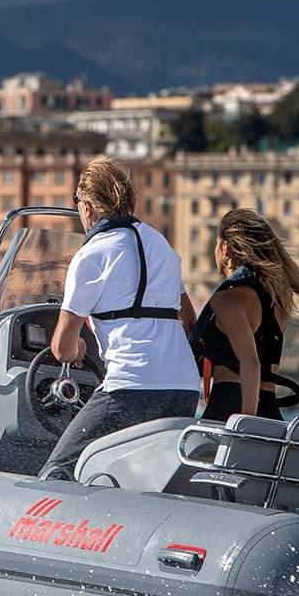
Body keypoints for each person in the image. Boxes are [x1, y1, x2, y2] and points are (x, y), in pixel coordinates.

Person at [39, 157, 201, 479]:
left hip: (130, 385)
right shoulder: (161, 244)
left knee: (58, 472)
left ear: (87, 207)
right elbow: (188, 320)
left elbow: (62, 349)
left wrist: (79, 350)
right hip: (184, 386)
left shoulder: (92, 254)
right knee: (144, 479)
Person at [187, 207, 299, 422]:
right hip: (270, 408)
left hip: (232, 406)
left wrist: (247, 422)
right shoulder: (278, 300)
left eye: (216, 243)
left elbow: (250, 361)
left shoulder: (226, 300)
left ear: (225, 247)